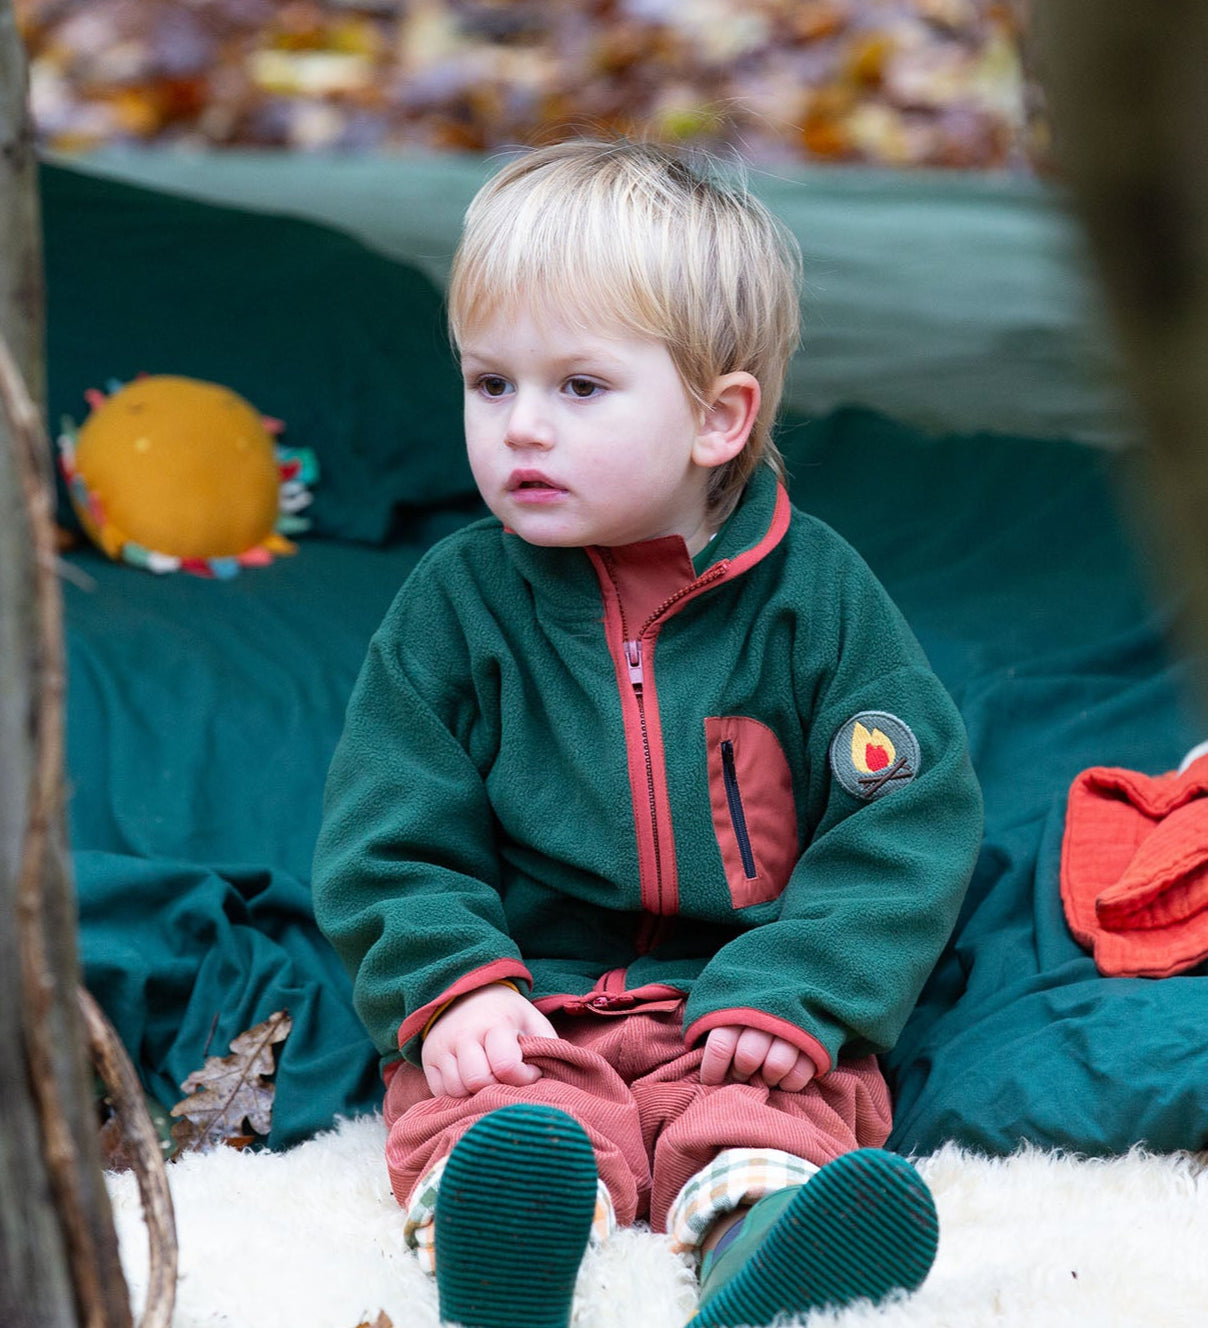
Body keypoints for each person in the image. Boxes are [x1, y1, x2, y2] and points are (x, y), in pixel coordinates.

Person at [312, 138, 983, 1328]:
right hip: (533, 997)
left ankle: (760, 1232)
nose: (520, 427)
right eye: (490, 383)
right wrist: (452, 986)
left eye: (578, 387)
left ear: (717, 418)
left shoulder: (815, 600)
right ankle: (507, 1231)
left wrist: (802, 989)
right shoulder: (455, 604)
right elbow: (386, 831)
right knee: (489, 1106)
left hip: (739, 1002)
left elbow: (902, 823)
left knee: (778, 1106)